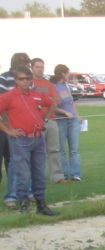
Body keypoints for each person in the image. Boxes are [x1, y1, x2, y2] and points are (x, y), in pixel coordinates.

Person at [0, 64, 62, 215]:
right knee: (23, 173)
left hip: (37, 137)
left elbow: (52, 103)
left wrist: (45, 120)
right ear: (16, 80)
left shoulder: (36, 94)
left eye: (28, 79)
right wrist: (9, 130)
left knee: (39, 172)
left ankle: (41, 204)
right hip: (20, 139)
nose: (25, 81)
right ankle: (23, 205)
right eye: (22, 79)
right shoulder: (8, 97)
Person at [1, 52, 32, 207]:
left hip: (19, 128)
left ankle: (14, 195)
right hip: (4, 126)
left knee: (14, 161)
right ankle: (11, 195)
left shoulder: (27, 80)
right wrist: (9, 126)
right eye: (25, 63)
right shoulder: (4, 78)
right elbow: (3, 105)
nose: (27, 66)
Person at [30, 58, 62, 183]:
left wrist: (48, 100)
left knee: (54, 149)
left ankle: (57, 176)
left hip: (51, 120)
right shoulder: (28, 83)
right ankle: (38, 178)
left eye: (42, 67)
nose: (40, 69)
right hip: (35, 122)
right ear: (32, 68)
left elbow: (57, 100)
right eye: (37, 67)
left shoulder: (48, 84)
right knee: (38, 152)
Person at [50, 64, 81, 182]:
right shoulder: (53, 87)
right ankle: (64, 174)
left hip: (72, 120)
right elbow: (51, 105)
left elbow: (71, 103)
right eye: (68, 73)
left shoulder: (66, 86)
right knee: (61, 149)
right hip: (60, 120)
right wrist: (63, 112)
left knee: (74, 149)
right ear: (63, 73)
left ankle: (76, 174)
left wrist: (77, 116)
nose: (69, 75)